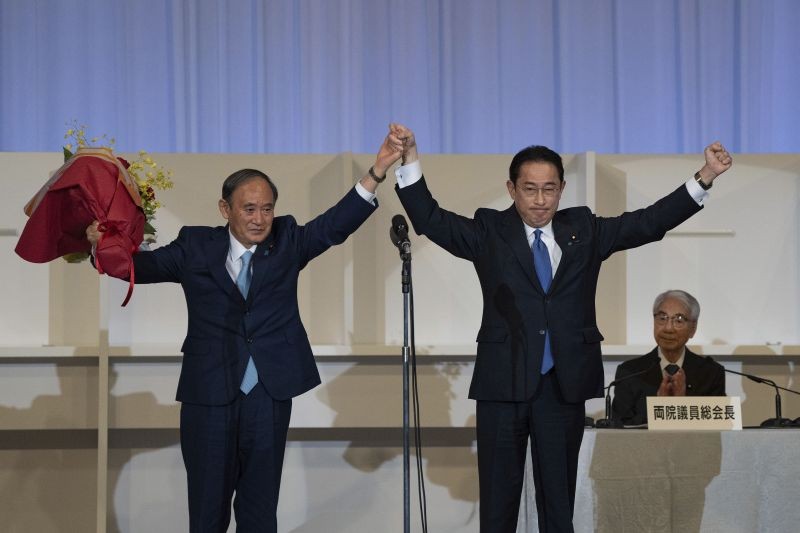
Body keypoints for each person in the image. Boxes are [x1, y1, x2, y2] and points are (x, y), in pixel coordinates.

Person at [390, 123, 732, 533]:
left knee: (558, 508)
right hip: (503, 385)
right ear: (512, 188)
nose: (539, 200)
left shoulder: (584, 230)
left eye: (549, 189)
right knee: (498, 510)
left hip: (562, 387)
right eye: (530, 189)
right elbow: (430, 219)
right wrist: (409, 160)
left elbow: (649, 222)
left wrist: (705, 177)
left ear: (562, 188)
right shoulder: (488, 232)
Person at [86, 130, 405, 533]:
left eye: (267, 209)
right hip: (209, 394)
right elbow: (138, 268)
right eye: (249, 209)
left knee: (259, 512)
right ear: (226, 208)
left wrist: (377, 171)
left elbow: (334, 225)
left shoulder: (288, 240)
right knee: (207, 513)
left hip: (267, 395)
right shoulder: (195, 246)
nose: (259, 219)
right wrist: (102, 245)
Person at [611, 290, 725, 426]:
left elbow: (717, 426)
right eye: (662, 318)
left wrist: (681, 404)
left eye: (679, 320)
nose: (668, 328)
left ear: (693, 328)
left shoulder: (711, 373)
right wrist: (659, 408)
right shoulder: (629, 372)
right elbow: (619, 427)